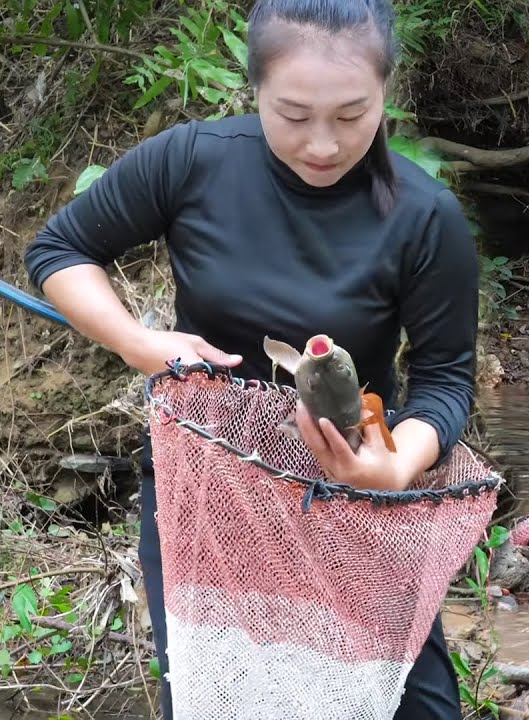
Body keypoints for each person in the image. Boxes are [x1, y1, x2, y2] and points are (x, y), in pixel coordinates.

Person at [23, 0, 477, 716]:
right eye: (293, 116)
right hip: (205, 490)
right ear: (254, 88)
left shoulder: (426, 218)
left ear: (386, 92)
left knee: (411, 704)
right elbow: (59, 250)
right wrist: (141, 342)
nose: (323, 144)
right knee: (219, 695)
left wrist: (394, 466)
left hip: (355, 490)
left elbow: (446, 383)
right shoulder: (189, 161)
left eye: (353, 115)